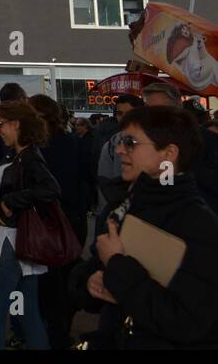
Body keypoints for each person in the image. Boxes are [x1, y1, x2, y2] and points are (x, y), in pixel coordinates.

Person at [70, 105, 218, 348]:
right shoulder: (125, 205)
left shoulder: (199, 225)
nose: (119, 150)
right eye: (120, 141)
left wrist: (117, 267)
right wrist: (89, 284)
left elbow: (188, 322)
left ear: (169, 153)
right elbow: (93, 271)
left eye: (131, 143)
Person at [0, 100, 59, 350]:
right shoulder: (19, 155)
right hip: (16, 245)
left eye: (0, 124)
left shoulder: (29, 158)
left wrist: (8, 202)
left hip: (10, 246)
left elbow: (50, 189)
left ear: (16, 124)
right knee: (25, 312)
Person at [29, 94, 85, 349]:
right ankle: (59, 332)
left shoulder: (40, 147)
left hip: (49, 224)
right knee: (63, 282)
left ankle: (52, 335)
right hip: (71, 220)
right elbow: (86, 181)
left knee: (49, 285)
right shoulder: (72, 142)